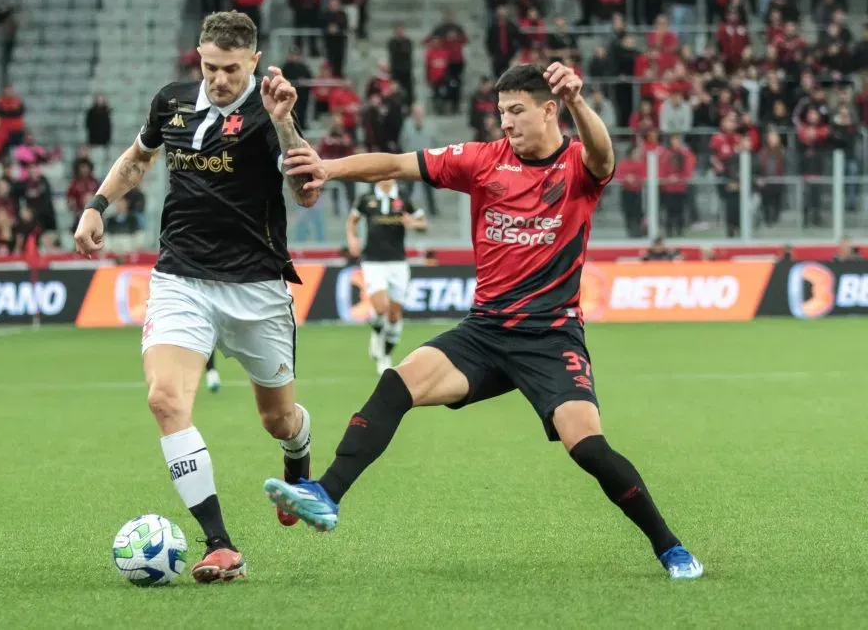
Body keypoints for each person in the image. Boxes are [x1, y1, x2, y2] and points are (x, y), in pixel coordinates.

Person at [264, 62, 704, 580]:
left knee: (588, 448)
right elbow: (397, 164)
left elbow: (603, 154)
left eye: (517, 111)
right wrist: (329, 168)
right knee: (397, 383)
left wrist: (581, 104)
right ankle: (326, 494)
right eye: (501, 113)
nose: (507, 123)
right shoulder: (482, 162)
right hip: (486, 331)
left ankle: (671, 547)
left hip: (550, 335)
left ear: (549, 110)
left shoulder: (578, 169)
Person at [73, 11, 318, 584]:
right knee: (165, 399)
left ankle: (298, 456)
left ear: (254, 63)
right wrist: (96, 205)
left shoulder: (271, 110)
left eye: (232, 69)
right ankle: (221, 544)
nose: (219, 79)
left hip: (256, 289)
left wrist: (285, 124)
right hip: (181, 278)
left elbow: (306, 194)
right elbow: (137, 160)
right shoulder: (171, 102)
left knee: (278, 419)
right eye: (210, 66)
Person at [347, 178, 426, 374]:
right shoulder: (366, 198)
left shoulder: (404, 197)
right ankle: (382, 355)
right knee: (381, 307)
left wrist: (413, 223)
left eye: (389, 174)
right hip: (373, 261)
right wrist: (352, 238)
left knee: (394, 315)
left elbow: (423, 224)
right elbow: (352, 220)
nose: (385, 178)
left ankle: (385, 350)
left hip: (398, 263)